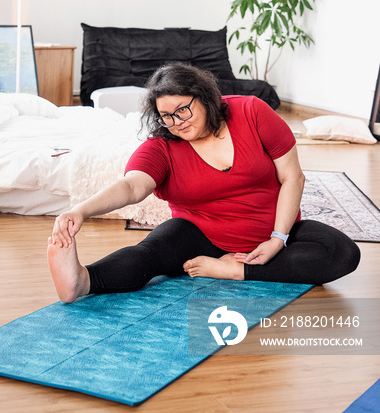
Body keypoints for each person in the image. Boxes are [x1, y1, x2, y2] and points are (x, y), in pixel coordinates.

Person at [48, 62, 360, 303]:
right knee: (151, 253)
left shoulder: (252, 112)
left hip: (273, 230)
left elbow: (293, 176)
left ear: (206, 97)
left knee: (342, 252)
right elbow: (132, 186)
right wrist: (81, 211)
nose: (177, 121)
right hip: (200, 235)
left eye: (183, 109)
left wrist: (278, 239)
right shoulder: (161, 146)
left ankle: (235, 270)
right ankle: (82, 281)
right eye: (166, 115)